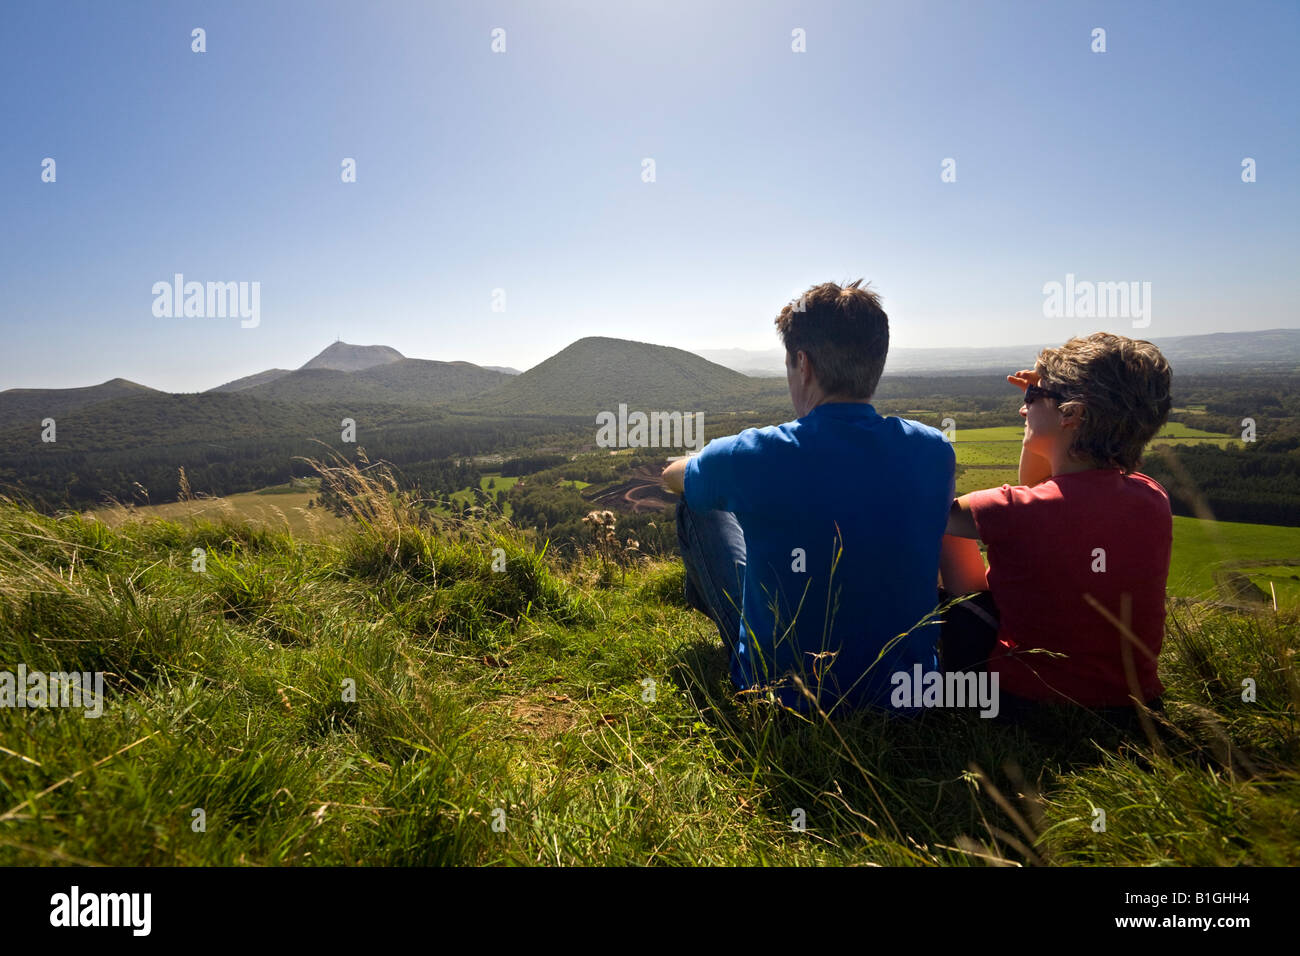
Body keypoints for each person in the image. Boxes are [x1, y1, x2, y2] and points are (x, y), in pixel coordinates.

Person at [662, 280, 955, 712]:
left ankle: (738, 634)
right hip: (908, 698)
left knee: (698, 502)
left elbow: (673, 477)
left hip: (781, 692)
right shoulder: (934, 450)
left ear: (804, 364)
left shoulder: (754, 453)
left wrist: (705, 464)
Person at [939, 332, 1173, 720]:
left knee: (947, 534)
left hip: (1021, 703)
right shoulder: (1152, 498)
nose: (1022, 410)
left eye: (1031, 399)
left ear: (1071, 414)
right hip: (1133, 707)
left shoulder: (1008, 510)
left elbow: (934, 518)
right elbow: (1047, 495)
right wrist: (1043, 398)